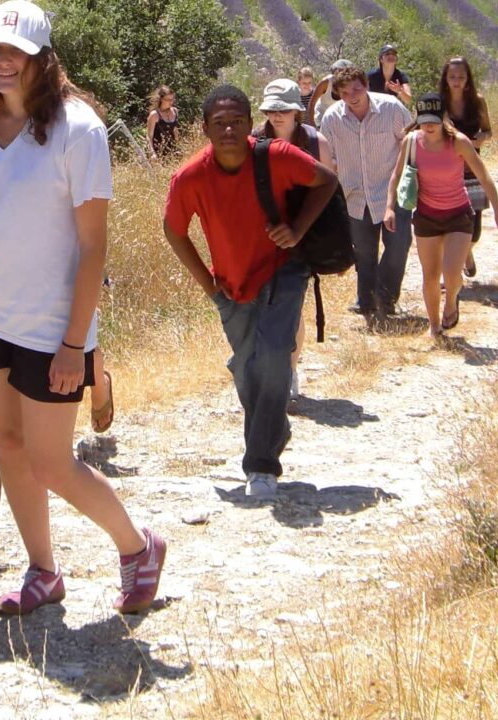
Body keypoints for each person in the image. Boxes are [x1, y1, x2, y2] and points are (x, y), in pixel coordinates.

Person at [0, 0, 165, 617]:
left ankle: (138, 547)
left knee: (52, 460)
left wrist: (75, 344)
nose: (4, 63)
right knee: (11, 446)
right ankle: (42, 571)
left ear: (44, 59)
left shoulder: (80, 129)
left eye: (18, 53)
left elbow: (92, 244)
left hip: (52, 328)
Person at [164, 85, 340, 501]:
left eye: (237, 122)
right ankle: (273, 427)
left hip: (284, 271)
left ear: (249, 125)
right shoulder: (190, 176)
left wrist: (296, 231)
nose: (228, 129)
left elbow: (326, 180)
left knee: (276, 355)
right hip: (231, 286)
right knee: (248, 367)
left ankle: (260, 465)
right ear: (206, 128)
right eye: (219, 123)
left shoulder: (276, 156)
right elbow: (173, 229)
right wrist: (208, 282)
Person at [387, 94, 498, 338]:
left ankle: (451, 301)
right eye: (424, 121)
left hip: (458, 215)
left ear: (444, 118)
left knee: (452, 273)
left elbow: (484, 176)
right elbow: (396, 175)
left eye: (434, 120)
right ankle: (434, 325)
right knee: (430, 276)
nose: (429, 126)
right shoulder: (411, 142)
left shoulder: (459, 142)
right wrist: (389, 207)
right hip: (426, 216)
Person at [314, 65, 415, 321]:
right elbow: (329, 159)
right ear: (338, 94)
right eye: (345, 92)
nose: (353, 96)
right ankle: (367, 302)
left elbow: (410, 141)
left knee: (398, 247)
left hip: (392, 194)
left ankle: (386, 297)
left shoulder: (391, 108)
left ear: (366, 86)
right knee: (364, 253)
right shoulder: (332, 119)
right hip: (355, 197)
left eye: (357, 89)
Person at [257, 80, 317, 406]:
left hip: (300, 239)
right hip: (260, 239)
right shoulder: (252, 142)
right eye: (271, 109)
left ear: (296, 110)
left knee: (292, 306)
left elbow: (326, 192)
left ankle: (289, 370)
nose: (276, 115)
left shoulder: (314, 142)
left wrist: (302, 231)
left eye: (282, 109)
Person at [439, 57, 494, 279]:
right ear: (445, 79)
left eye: (461, 77)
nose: (456, 81)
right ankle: (451, 275)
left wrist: (483, 137)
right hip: (445, 172)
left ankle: (467, 254)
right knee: (446, 226)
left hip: (472, 170)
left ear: (468, 78)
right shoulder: (439, 102)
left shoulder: (477, 101)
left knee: (474, 229)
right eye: (452, 77)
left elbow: (488, 130)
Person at [144, 85, 180, 162]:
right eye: (168, 99)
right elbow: (149, 136)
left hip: (173, 152)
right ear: (161, 99)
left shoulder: (175, 111)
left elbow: (175, 131)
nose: (171, 102)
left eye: (172, 99)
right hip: (158, 153)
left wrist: (179, 147)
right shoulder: (154, 115)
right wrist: (152, 153)